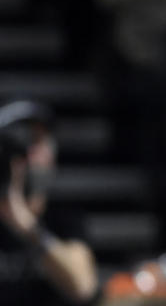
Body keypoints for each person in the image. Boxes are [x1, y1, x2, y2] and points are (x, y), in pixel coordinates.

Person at [0, 101, 98, 305]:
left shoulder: (64, 217)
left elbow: (82, 287)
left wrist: (26, 225)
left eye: (37, 142)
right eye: (19, 144)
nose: (28, 156)